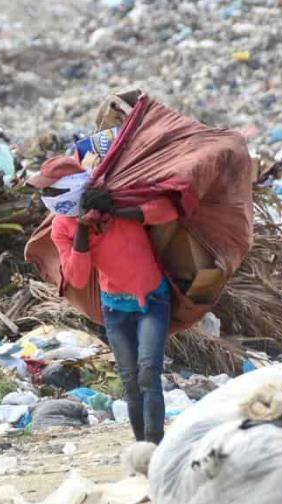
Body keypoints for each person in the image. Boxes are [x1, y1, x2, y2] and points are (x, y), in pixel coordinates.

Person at [28, 157, 178, 444]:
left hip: (152, 302)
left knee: (148, 373)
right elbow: (78, 276)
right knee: (131, 383)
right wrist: (82, 230)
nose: (46, 198)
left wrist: (121, 211)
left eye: (51, 191)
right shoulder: (62, 227)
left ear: (71, 188)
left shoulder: (116, 203)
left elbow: (167, 211)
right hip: (115, 309)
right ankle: (143, 448)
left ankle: (157, 447)